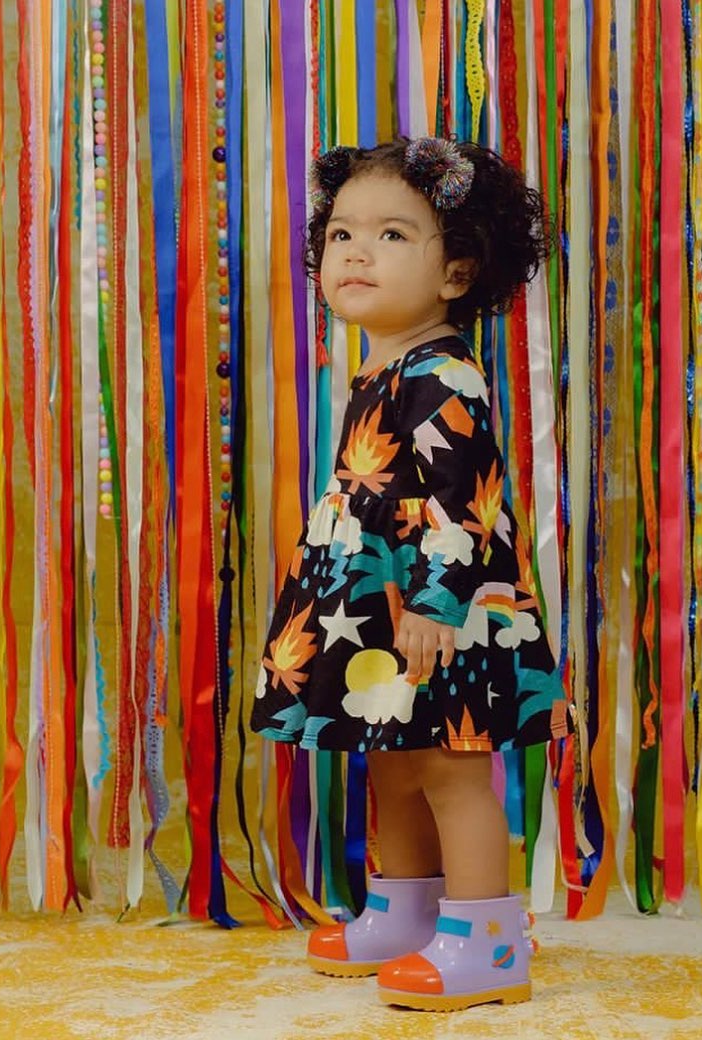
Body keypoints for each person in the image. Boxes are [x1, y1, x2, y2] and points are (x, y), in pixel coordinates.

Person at [251, 136, 570, 1012]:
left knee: (452, 769)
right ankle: (405, 913)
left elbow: (466, 501)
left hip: (439, 613)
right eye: (342, 234)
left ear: (457, 272)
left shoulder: (442, 373)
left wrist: (435, 603)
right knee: (391, 759)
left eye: (392, 234)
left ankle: (487, 940)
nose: (356, 252)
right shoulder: (384, 367)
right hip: (382, 614)